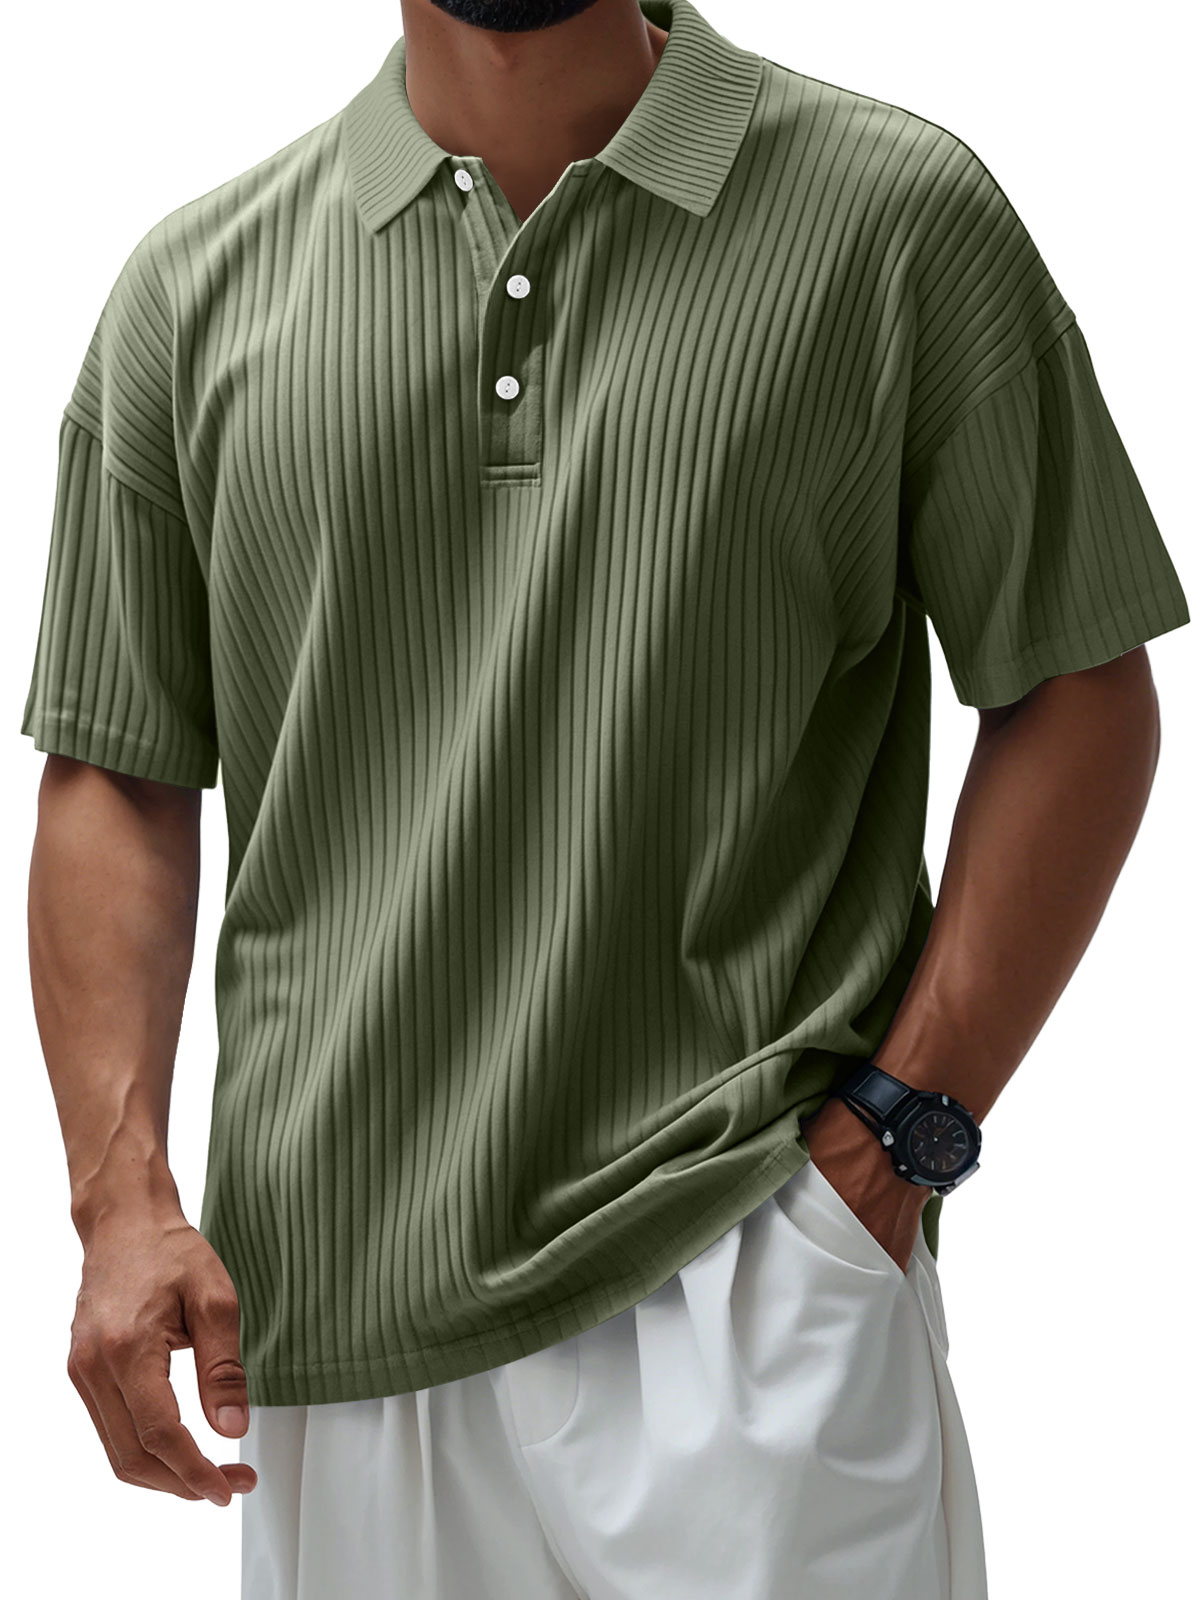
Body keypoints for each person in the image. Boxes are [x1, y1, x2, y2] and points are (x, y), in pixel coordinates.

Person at [20, 0, 1190, 1594]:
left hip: (751, 1274)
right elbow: (119, 772)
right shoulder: (189, 293)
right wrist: (120, 1203)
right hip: (333, 1317)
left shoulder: (897, 221)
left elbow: (1074, 682)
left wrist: (897, 1141)